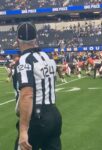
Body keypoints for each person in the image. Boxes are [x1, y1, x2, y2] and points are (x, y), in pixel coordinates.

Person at [13, 22, 62, 150]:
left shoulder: (24, 60)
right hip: (53, 114)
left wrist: (23, 130)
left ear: (18, 40)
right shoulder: (47, 57)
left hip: (37, 117)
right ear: (36, 38)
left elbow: (27, 95)